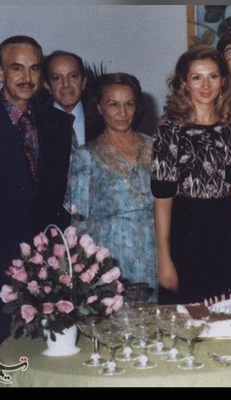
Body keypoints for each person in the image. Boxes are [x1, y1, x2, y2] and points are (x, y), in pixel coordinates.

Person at [151, 45, 231, 305]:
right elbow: (162, 202)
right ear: (184, 83)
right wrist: (164, 259)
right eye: (197, 77)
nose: (206, 85)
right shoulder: (169, 132)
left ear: (223, 81)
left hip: (227, 232)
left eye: (213, 76)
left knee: (230, 311)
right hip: (186, 231)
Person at [0, 35, 72, 343]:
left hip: (45, 265)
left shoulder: (58, 123)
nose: (27, 77)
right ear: (1, 72)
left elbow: (56, 196)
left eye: (34, 68)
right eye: (17, 68)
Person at [69, 72, 157, 300]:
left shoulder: (156, 148)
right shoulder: (87, 155)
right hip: (111, 257)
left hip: (154, 251)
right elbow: (79, 221)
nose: (122, 112)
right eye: (113, 104)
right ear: (99, 107)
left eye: (129, 104)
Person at [42, 50, 100, 146]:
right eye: (57, 78)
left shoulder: (101, 119)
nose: (66, 84)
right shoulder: (38, 122)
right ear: (48, 86)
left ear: (83, 82)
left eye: (73, 76)